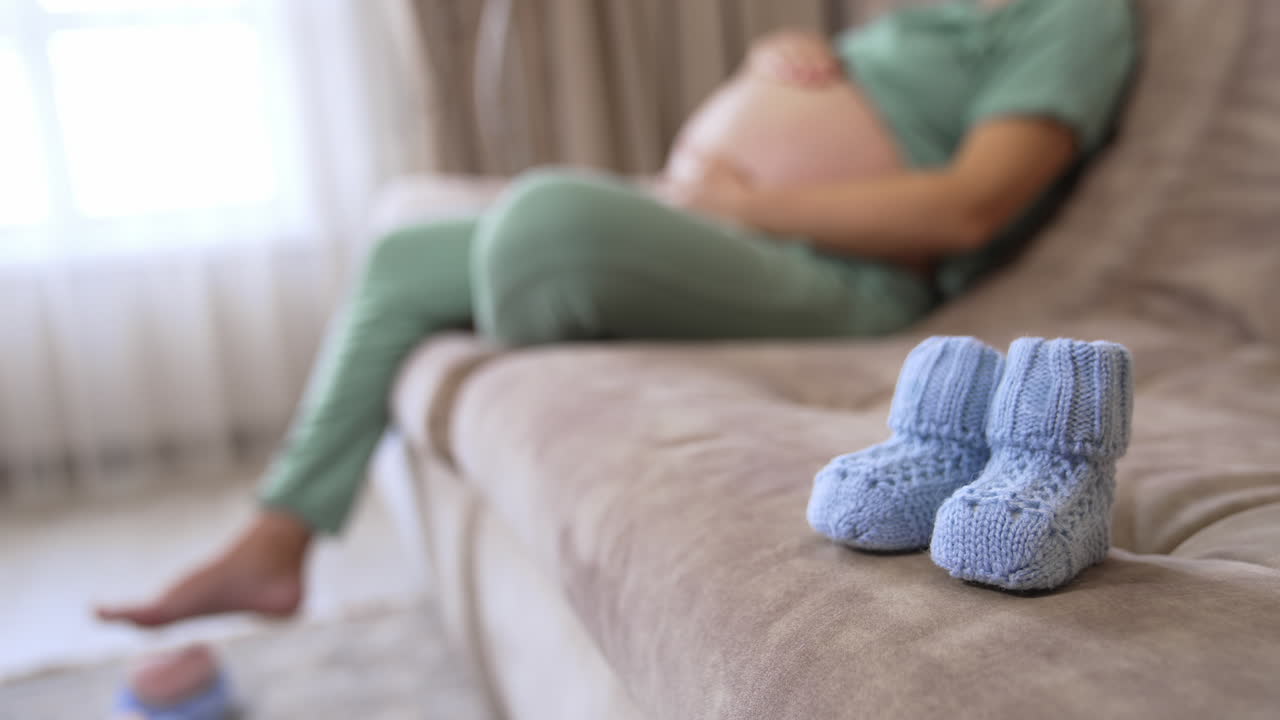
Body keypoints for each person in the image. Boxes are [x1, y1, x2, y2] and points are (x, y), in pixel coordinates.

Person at [97, 0, 1137, 626]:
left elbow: (966, 204)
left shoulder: (1074, 14)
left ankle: (564, 293)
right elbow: (850, 104)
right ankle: (276, 540)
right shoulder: (930, 17)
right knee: (409, 253)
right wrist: (775, 60)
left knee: (546, 217)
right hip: (727, 229)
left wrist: (736, 198)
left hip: (834, 273)